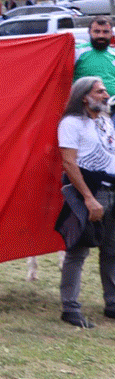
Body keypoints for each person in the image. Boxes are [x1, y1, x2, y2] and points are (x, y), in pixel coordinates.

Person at [57, 76, 115, 328]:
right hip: (89, 190)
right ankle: (70, 308)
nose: (105, 95)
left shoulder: (105, 121)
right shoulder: (71, 123)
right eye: (100, 91)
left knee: (112, 250)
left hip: (112, 188)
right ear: (84, 96)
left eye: (105, 91)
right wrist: (89, 198)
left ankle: (112, 303)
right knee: (78, 250)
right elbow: (69, 162)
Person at [76, 17, 115, 88]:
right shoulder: (77, 51)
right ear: (89, 32)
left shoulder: (113, 53)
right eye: (97, 31)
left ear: (111, 33)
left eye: (105, 32)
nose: (101, 35)